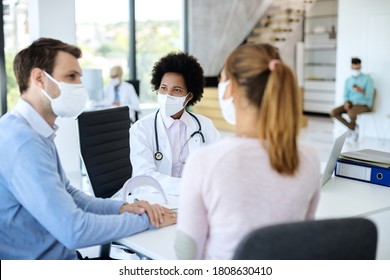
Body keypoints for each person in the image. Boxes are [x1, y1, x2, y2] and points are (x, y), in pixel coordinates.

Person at [0, 38, 176, 260]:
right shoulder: (22, 142)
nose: (79, 86)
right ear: (39, 78)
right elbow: (75, 230)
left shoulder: (35, 132)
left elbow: (70, 194)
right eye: (71, 76)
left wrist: (123, 208)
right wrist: (147, 220)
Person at [175, 44, 321, 260]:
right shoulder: (309, 158)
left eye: (223, 78)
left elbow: (188, 253)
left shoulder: (205, 162)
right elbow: (301, 237)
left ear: (231, 88)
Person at [130, 52, 220, 196]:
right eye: (163, 88)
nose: (168, 95)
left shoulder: (205, 126)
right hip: (154, 201)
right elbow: (146, 179)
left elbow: (219, 165)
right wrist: (192, 187)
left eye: (176, 90)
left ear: (189, 96)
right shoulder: (141, 129)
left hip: (194, 200)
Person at [330, 57, 374, 141]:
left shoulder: (367, 79)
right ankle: (352, 127)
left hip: (363, 104)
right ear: (351, 67)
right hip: (351, 103)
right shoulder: (348, 80)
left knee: (351, 113)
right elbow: (345, 95)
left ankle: (352, 129)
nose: (355, 70)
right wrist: (346, 102)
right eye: (354, 68)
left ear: (360, 67)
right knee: (334, 112)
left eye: (357, 68)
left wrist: (361, 90)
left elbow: (370, 95)